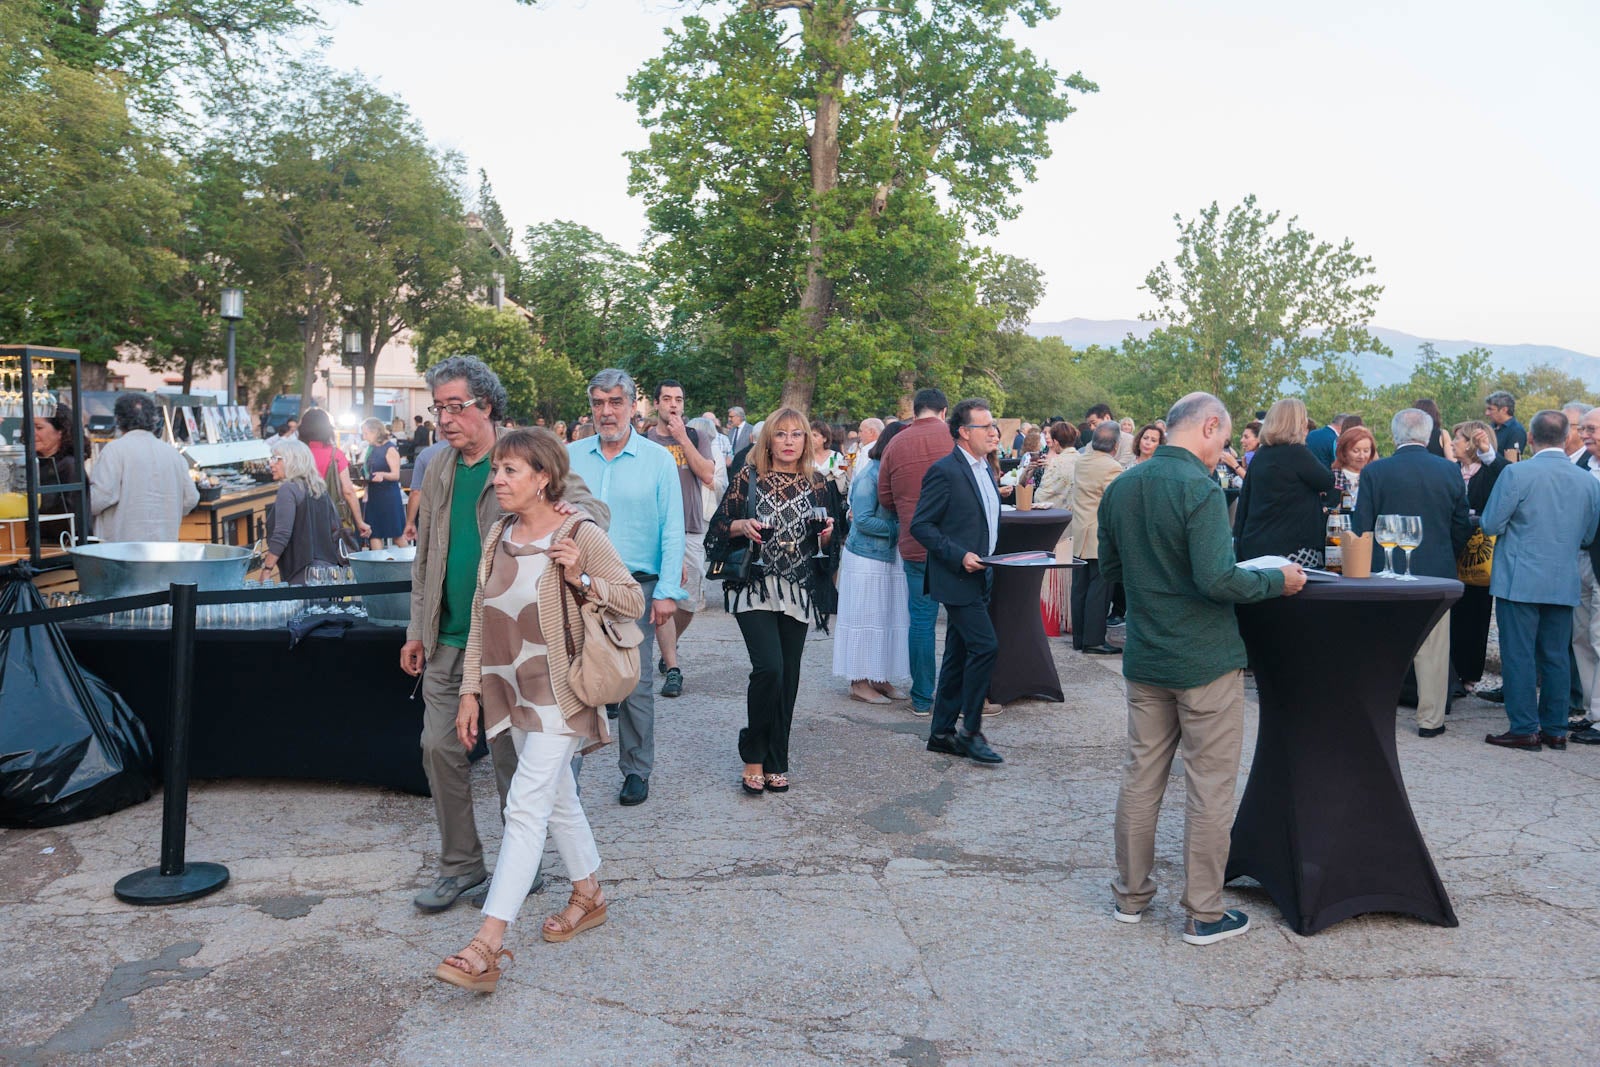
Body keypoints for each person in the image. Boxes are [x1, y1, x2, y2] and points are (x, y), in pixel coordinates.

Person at [435, 429, 644, 993]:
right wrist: (470, 691)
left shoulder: (579, 531)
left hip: (561, 693)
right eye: (497, 470)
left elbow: (632, 600)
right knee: (557, 800)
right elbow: (481, 615)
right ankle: (589, 894)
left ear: (543, 478)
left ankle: (488, 943)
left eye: (510, 471)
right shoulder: (499, 534)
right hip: (510, 691)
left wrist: (580, 574)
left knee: (524, 806)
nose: (498, 481)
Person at [402, 356, 610, 913]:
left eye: (456, 406)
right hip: (450, 638)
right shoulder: (438, 466)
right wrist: (415, 628)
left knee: (510, 762)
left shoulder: (521, 454)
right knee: (437, 747)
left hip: (516, 642)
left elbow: (592, 512)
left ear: (485, 406)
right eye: (439, 408)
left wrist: (567, 511)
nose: (445, 419)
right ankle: (461, 867)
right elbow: (426, 556)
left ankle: (523, 865)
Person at [1098, 391, 1306, 945]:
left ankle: (1130, 897)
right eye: (1225, 438)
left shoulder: (1122, 487)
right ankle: (1203, 912)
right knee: (1209, 787)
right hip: (1205, 659)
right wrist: (1275, 580)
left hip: (1146, 655)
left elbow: (1112, 567)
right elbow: (1217, 579)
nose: (1226, 451)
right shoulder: (1199, 488)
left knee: (1141, 777)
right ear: (1209, 426)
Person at [567, 368, 686, 808]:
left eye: (615, 402)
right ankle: (567, 776)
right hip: (574, 586)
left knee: (633, 684)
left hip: (633, 588)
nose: (606, 411)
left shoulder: (658, 460)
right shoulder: (570, 456)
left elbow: (673, 528)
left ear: (633, 406)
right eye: (598, 403)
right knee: (573, 679)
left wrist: (667, 590)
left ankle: (636, 770)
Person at [706, 407, 837, 794]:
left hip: (797, 589)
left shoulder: (819, 483)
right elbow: (716, 530)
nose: (789, 442)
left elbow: (829, 546)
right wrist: (740, 525)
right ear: (769, 441)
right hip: (755, 587)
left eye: (797, 435)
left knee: (790, 676)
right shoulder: (748, 478)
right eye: (781, 435)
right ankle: (753, 754)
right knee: (770, 670)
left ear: (807, 441)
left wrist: (827, 536)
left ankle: (778, 758)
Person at [1480, 410, 1600, 750]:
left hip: (1519, 578)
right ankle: (1555, 729)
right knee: (1556, 656)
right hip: (1563, 578)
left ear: (1530, 438)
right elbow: (1589, 535)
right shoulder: (1588, 482)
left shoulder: (1517, 473)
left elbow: (1490, 524)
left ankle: (1523, 727)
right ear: (1566, 438)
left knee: (1518, 654)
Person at [1351, 410, 1472, 737]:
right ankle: (1431, 721)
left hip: (1385, 572)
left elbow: (1361, 524)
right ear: (1430, 435)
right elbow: (1461, 525)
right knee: (1433, 649)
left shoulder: (1376, 471)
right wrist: (1446, 553)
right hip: (1436, 570)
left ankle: (1375, 712)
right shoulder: (1449, 470)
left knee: (1382, 645)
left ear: (1394, 436)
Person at [910, 398, 1006, 765]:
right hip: (957, 575)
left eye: (994, 425)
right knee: (986, 647)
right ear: (964, 433)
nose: (994, 432)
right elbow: (921, 525)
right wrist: (959, 554)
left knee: (958, 654)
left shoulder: (986, 468)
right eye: (986, 426)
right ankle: (970, 731)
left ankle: (941, 732)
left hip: (984, 573)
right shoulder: (945, 470)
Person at [877, 388, 954, 716]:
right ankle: (958, 695)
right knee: (961, 620)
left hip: (915, 543)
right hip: (957, 544)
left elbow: (885, 496)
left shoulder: (896, 442)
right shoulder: (955, 438)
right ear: (944, 411)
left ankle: (922, 697)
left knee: (921, 621)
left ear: (915, 410)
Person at [647, 380, 716, 700]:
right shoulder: (645, 439)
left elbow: (707, 474)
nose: (673, 404)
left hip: (689, 528)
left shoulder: (695, 436)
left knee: (688, 603)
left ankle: (668, 648)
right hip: (653, 530)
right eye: (667, 399)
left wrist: (681, 439)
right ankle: (673, 668)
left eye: (679, 399)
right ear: (656, 404)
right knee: (664, 598)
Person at [834, 420, 911, 704]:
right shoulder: (870, 475)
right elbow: (862, 520)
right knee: (865, 619)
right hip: (866, 559)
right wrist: (901, 530)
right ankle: (859, 682)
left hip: (889, 558)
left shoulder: (892, 473)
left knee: (887, 618)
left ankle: (880, 677)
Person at [1232, 398, 1335, 567]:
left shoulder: (1261, 455)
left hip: (1255, 545)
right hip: (1292, 548)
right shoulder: (1297, 453)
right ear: (1299, 423)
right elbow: (1326, 481)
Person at [1447, 421, 1508, 695]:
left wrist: (1488, 453)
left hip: (1479, 553)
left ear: (1471, 443)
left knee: (1476, 612)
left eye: (1457, 439)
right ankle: (1449, 672)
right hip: (1450, 551)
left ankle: (1469, 675)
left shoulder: (1490, 470)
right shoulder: (1450, 471)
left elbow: (1508, 475)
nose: (1451, 443)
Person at [89, 393, 198, 542]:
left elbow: (100, 498)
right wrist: (169, 511)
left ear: (118, 419)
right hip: (164, 547)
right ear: (153, 419)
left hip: (121, 547)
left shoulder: (114, 450)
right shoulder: (173, 454)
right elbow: (191, 498)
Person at [1069, 422, 1123, 655]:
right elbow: (1114, 506)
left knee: (1080, 588)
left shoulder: (1081, 461)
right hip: (1099, 535)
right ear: (1116, 444)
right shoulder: (1112, 467)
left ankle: (1080, 638)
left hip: (1080, 531)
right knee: (1099, 591)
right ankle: (1094, 640)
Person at [261, 438, 342, 584]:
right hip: (328, 570)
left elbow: (282, 534)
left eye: (276, 459)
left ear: (293, 460)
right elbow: (335, 527)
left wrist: (267, 568)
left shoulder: (288, 489)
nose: (271, 464)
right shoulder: (319, 489)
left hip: (301, 571)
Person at [1571, 407, 1600, 743]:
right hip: (1578, 560)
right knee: (1580, 638)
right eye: (1583, 428)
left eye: (1591, 428)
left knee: (1598, 638)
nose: (1585, 434)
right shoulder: (1579, 465)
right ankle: (1592, 713)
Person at [299, 408, 371, 545]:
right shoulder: (336, 455)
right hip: (330, 517)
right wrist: (360, 521)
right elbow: (348, 490)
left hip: (303, 516)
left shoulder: (298, 454)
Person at [32, 401, 82, 524]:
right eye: (29, 427)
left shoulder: (69, 466)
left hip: (61, 541)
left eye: (39, 428)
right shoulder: (32, 463)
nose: (32, 433)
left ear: (61, 431)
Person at [361, 416, 405, 549]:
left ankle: (412, 566)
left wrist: (383, 475)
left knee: (397, 534)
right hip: (374, 495)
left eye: (366, 433)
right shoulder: (371, 448)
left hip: (388, 496)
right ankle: (377, 567)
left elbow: (396, 475)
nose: (364, 437)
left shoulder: (389, 448)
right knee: (374, 533)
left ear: (375, 432)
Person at [403, 439, 450, 545]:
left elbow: (416, 492)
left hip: (433, 518)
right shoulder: (473, 451)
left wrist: (410, 522)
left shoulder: (426, 455)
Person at [1330, 425, 1379, 506]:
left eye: (1366, 451)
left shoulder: (1374, 477)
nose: (1362, 456)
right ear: (1344, 451)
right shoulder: (1333, 477)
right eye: (1356, 451)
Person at [1484, 391, 1526, 462]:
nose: (1487, 413)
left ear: (1504, 410)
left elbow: (1510, 464)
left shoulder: (1516, 431)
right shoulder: (1490, 428)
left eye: (1490, 409)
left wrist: (1487, 452)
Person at [811, 418, 849, 494]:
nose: (811, 439)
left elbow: (844, 477)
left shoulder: (836, 456)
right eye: (809, 435)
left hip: (832, 500)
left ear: (825, 438)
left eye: (815, 435)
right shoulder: (805, 458)